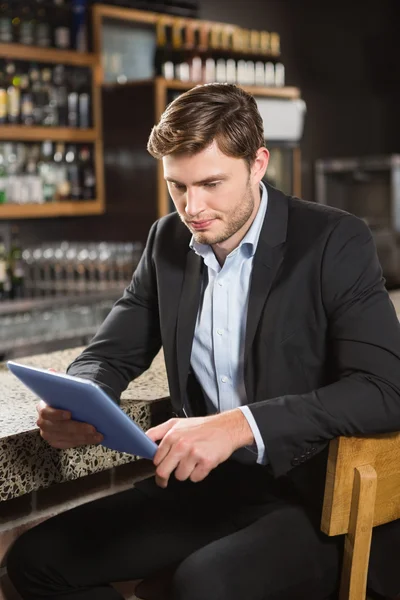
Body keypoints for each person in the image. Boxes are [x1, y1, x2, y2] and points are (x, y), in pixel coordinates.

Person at [7, 83, 400, 600]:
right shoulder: (167, 240)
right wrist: (82, 399)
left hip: (311, 497)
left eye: (212, 183)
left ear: (258, 164)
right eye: (178, 186)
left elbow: (385, 390)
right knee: (35, 562)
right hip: (205, 490)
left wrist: (239, 425)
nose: (193, 207)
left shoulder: (334, 241)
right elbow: (110, 352)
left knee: (202, 586)